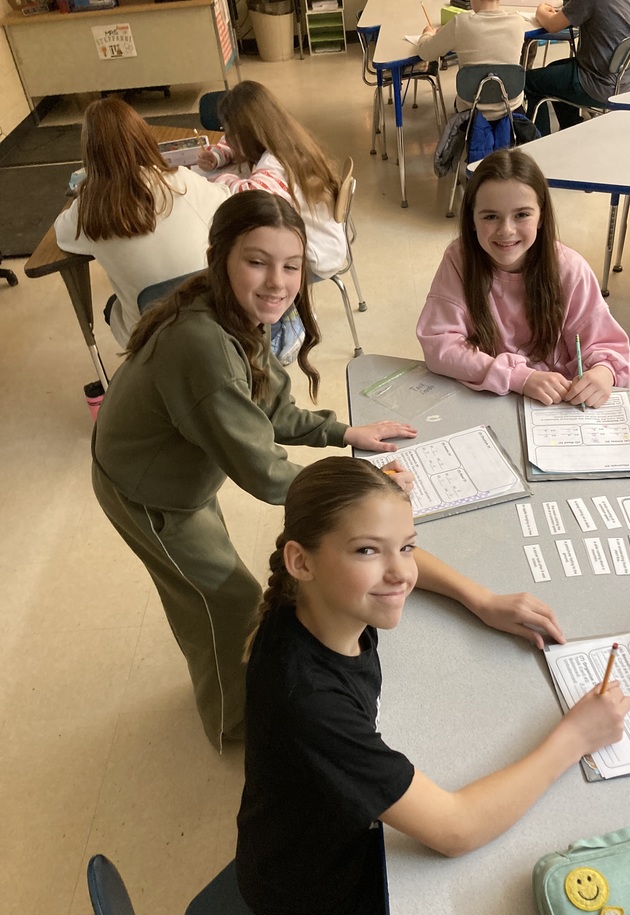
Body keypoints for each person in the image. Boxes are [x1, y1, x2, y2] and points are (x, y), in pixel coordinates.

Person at [237, 457, 630, 915]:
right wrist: (575, 737)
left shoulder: (317, 607)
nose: (400, 573)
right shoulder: (308, 700)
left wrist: (480, 599)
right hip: (314, 898)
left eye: (407, 546)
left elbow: (397, 565)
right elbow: (455, 828)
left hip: (305, 838)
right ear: (302, 561)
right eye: (367, 551)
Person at [91, 191, 416, 750]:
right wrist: (363, 494)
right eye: (257, 262)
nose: (278, 283)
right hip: (147, 493)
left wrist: (342, 433)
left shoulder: (236, 310)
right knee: (227, 607)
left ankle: (234, 689)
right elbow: (265, 473)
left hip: (174, 478)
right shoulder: (203, 346)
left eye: (291, 266)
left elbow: (270, 409)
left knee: (205, 597)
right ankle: (235, 725)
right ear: (220, 257)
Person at [416, 149, 630, 408]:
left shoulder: (570, 269)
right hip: (487, 398)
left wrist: (604, 372)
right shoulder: (459, 260)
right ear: (472, 219)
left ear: (541, 216)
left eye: (522, 215)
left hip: (556, 404)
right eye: (490, 216)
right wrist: (519, 377)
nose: (506, 230)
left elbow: (606, 346)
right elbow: (439, 342)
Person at [55, 97, 230, 348]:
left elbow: (61, 233)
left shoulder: (90, 208)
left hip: (150, 336)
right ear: (144, 138)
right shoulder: (181, 180)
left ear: (91, 155)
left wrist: (84, 192)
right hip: (211, 317)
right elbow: (226, 197)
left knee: (113, 306)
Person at [196, 80, 347, 280]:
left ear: (247, 135)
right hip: (327, 242)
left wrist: (214, 180)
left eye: (230, 132)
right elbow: (229, 143)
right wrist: (218, 156)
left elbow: (249, 197)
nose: (227, 138)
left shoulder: (275, 164)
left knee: (235, 265)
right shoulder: (288, 138)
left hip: (313, 258)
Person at [524, 0, 630, 135]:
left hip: (596, 83)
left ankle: (539, 140)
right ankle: (572, 128)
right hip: (624, 81)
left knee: (530, 81)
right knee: (554, 70)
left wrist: (541, 10)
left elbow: (552, 25)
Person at [417, 0, 527, 118]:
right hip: (512, 110)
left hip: (471, 112)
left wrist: (427, 34)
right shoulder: (518, 22)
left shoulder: (460, 23)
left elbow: (425, 53)